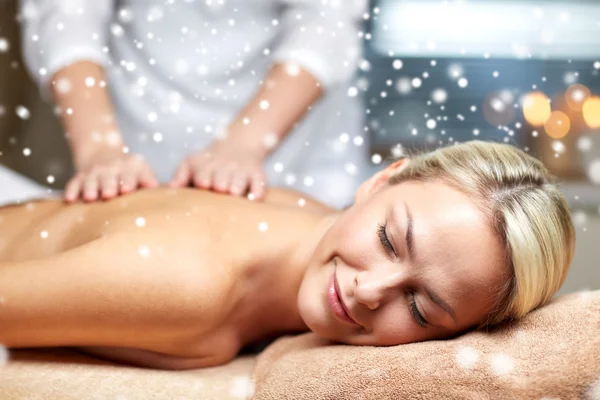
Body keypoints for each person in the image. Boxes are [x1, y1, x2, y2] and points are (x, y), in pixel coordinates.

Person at [0, 141, 575, 369]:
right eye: (387, 241)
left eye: (421, 309)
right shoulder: (188, 286)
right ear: (381, 181)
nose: (369, 292)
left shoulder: (306, 211)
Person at [19, 0, 369, 209]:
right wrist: (99, 148)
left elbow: (327, 19)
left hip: (299, 156)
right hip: (137, 144)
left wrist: (244, 145)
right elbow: (66, 12)